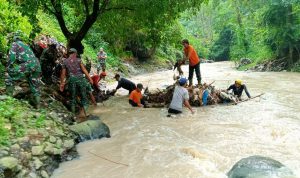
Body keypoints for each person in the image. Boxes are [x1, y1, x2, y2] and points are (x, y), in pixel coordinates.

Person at [5, 33, 42, 109]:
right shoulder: (26, 45)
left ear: (13, 39)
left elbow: (11, 58)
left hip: (28, 64)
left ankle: (8, 100)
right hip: (37, 65)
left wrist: (8, 68)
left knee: (9, 75)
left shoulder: (15, 44)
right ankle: (38, 107)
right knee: (35, 87)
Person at [59, 48, 93, 116]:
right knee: (84, 97)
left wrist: (62, 84)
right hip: (80, 79)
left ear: (69, 53)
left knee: (73, 99)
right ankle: (84, 115)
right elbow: (84, 70)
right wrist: (90, 79)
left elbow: (63, 74)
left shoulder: (65, 61)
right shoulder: (78, 60)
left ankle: (73, 117)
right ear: (75, 53)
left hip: (71, 80)